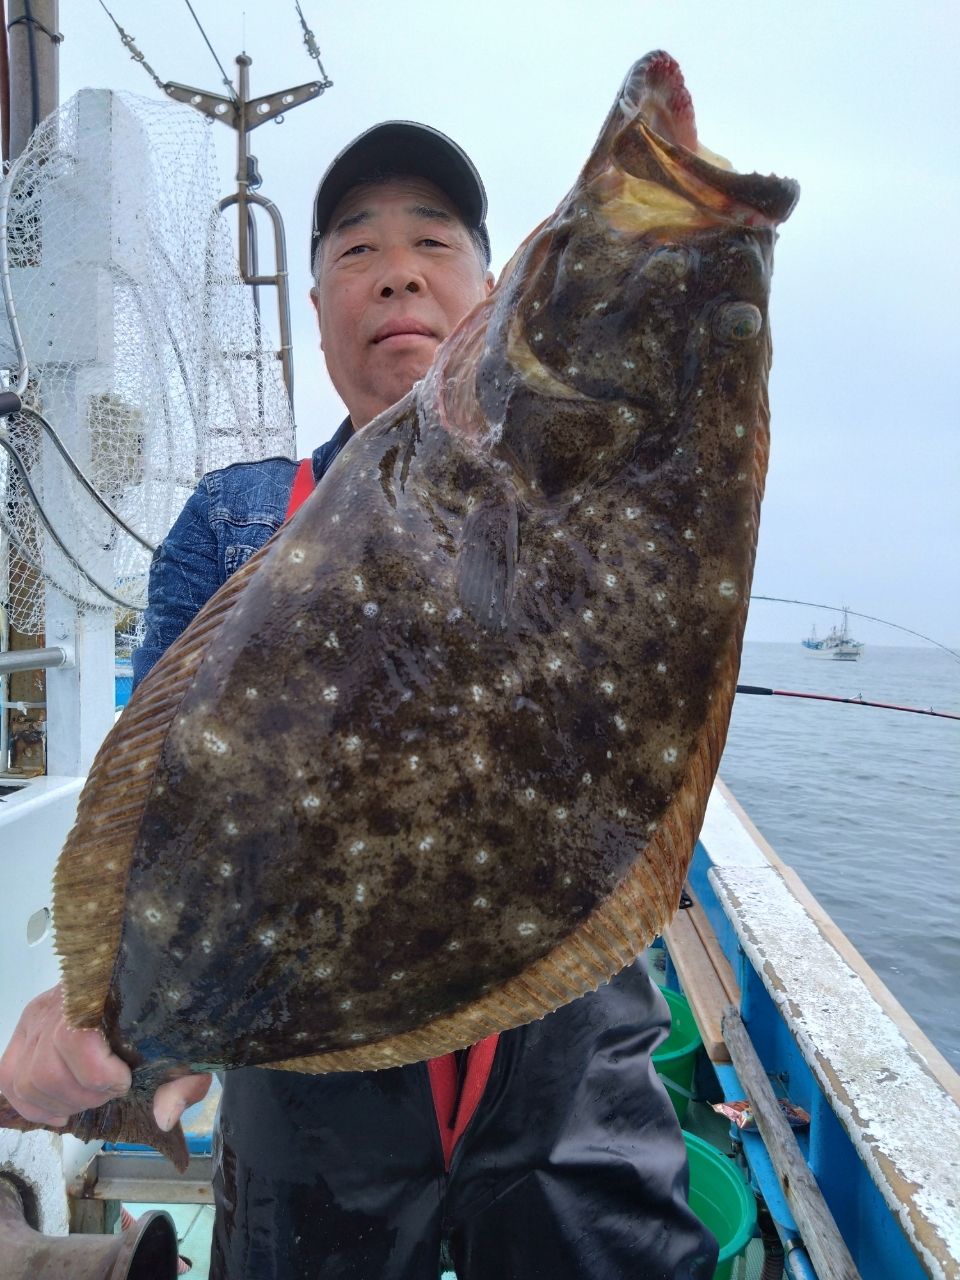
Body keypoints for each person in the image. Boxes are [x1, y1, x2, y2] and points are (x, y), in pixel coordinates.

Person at [0, 121, 718, 1280]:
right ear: (319, 307)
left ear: (490, 291)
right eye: (356, 250)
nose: (397, 269)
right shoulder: (235, 516)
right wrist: (136, 1027)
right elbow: (168, 805)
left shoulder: (580, 484)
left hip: (569, 1047)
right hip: (310, 1075)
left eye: (434, 241)